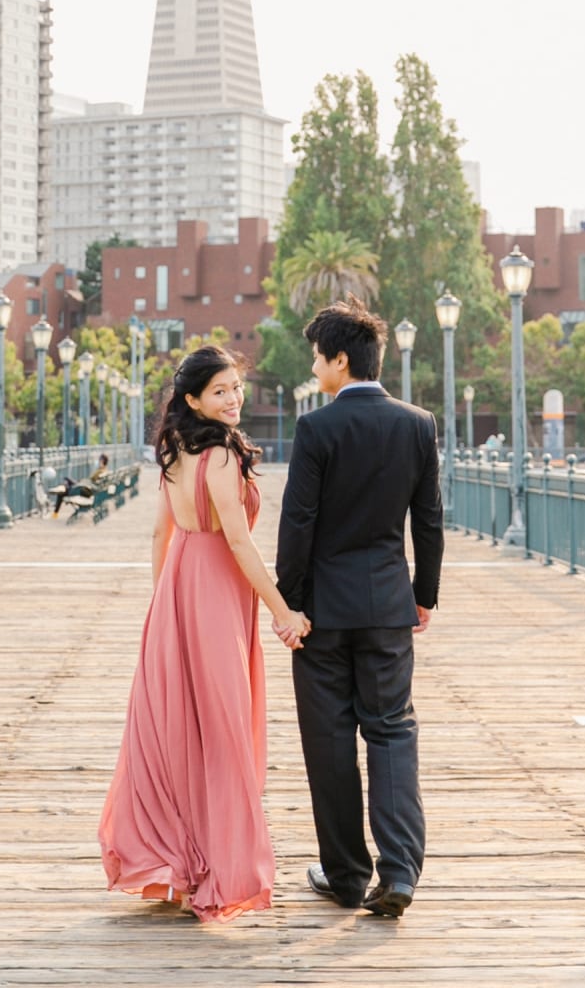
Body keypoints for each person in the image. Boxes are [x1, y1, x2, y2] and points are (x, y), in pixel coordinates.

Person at [99, 345, 310, 922]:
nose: (234, 398)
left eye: (237, 387)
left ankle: (174, 861)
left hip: (177, 591)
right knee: (220, 728)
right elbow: (238, 542)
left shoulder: (174, 451)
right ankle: (217, 865)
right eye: (220, 391)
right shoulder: (219, 455)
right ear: (192, 399)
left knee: (177, 725)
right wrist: (283, 611)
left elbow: (160, 536)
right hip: (214, 592)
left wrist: (163, 604)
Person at [275, 297, 444, 919]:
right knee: (392, 731)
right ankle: (400, 871)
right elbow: (428, 521)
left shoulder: (317, 429)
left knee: (329, 741)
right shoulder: (417, 423)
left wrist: (288, 605)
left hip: (321, 612)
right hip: (387, 606)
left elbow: (298, 525)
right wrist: (423, 594)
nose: (315, 367)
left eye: (318, 358)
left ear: (340, 360)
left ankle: (347, 875)